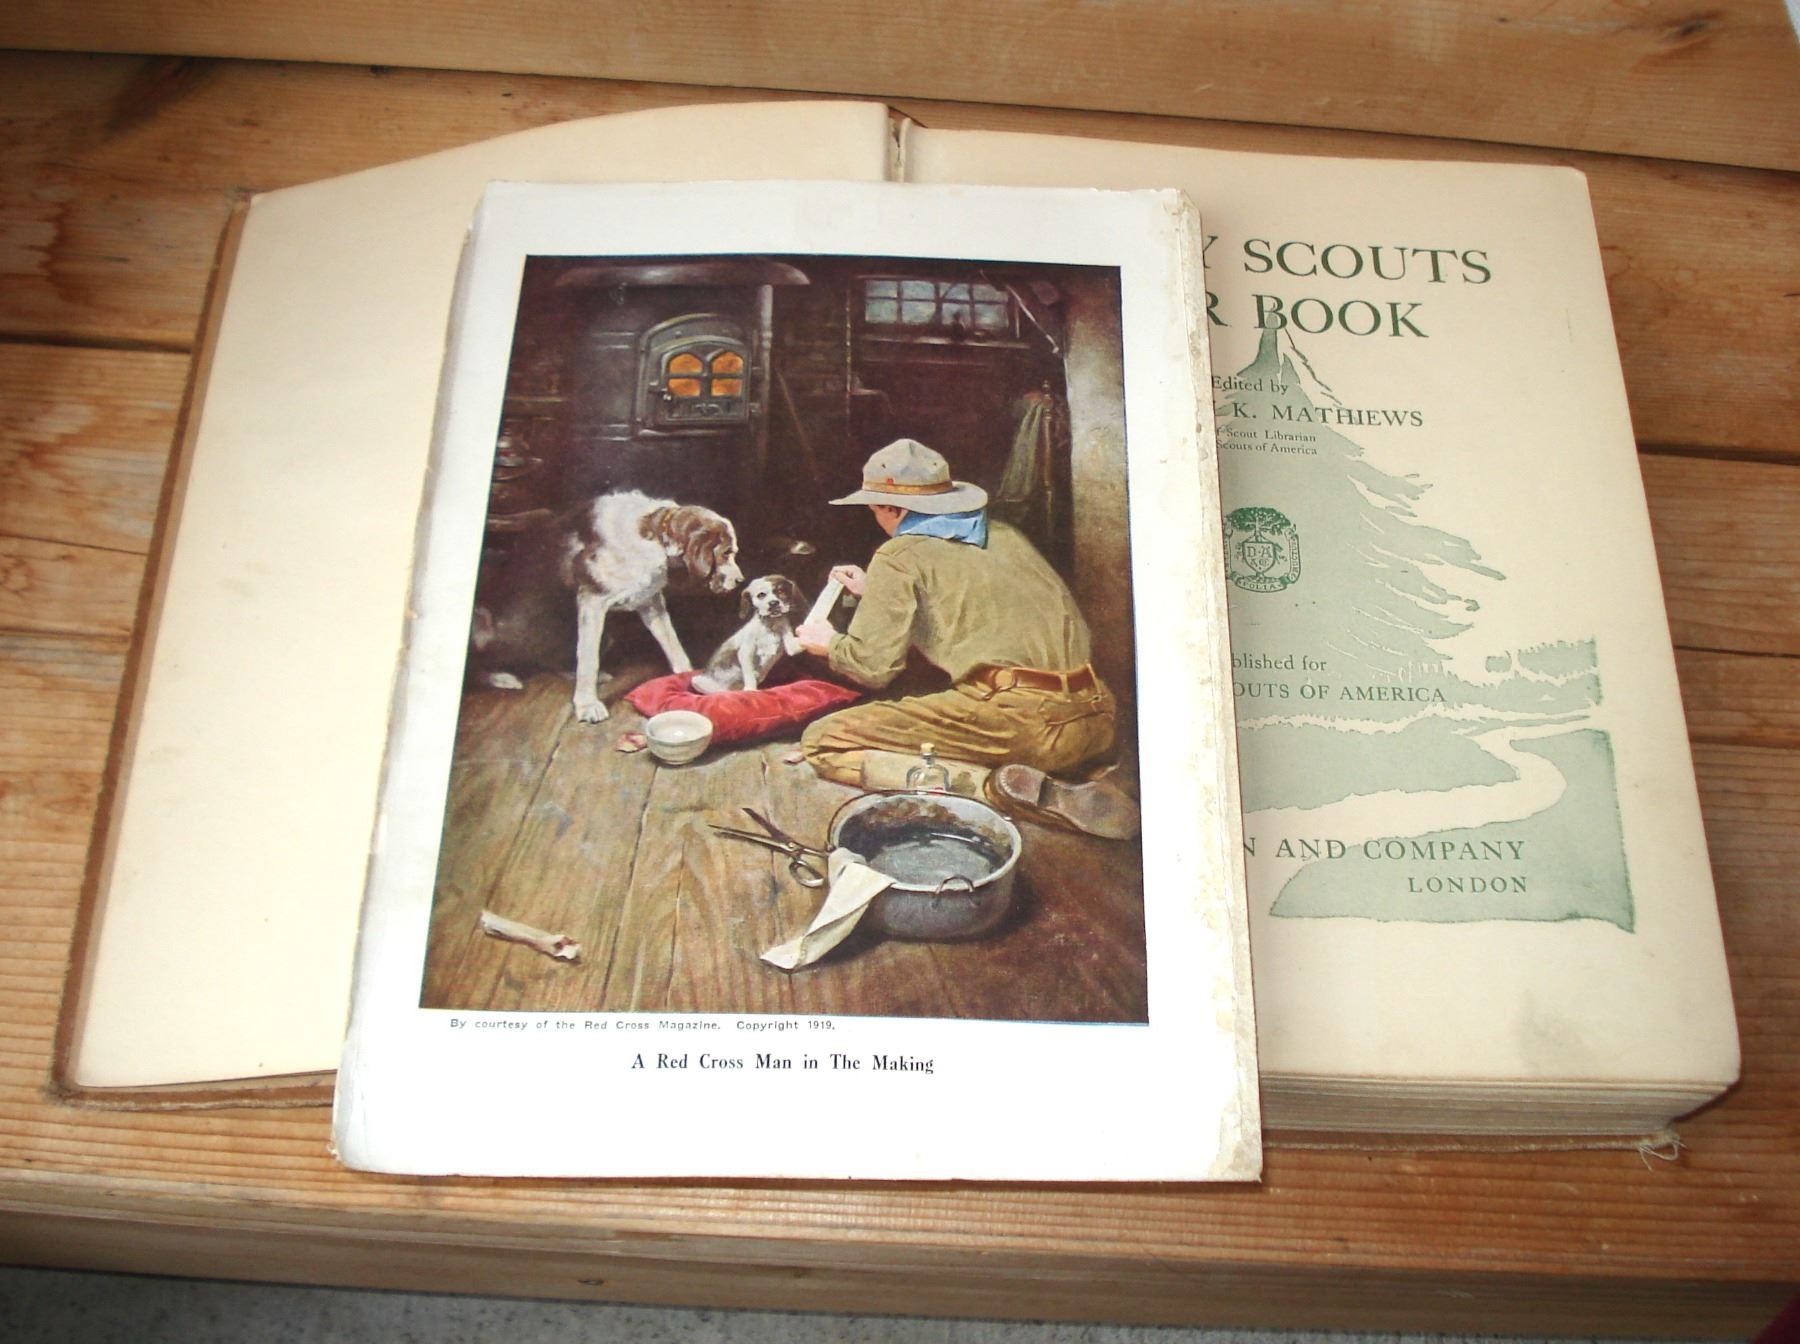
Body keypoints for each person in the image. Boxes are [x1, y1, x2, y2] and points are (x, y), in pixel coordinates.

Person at [794, 438, 1138, 839]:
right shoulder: (1004, 535)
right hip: (1096, 721)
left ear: (894, 508)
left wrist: (829, 643)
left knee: (822, 742)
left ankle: (995, 789)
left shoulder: (898, 555)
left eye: (875, 510)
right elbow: (981, 612)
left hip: (1022, 722)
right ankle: (1064, 778)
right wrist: (877, 593)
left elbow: (872, 667)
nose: (878, 520)